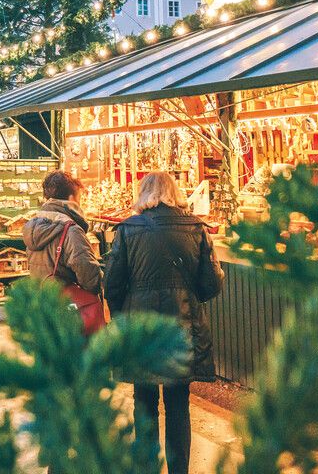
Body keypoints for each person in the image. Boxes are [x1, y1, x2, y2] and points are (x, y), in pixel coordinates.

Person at [104, 172, 224, 474]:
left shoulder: (127, 229)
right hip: (181, 325)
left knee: (143, 401)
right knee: (178, 404)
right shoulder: (196, 227)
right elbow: (211, 284)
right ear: (175, 193)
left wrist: (122, 321)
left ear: (144, 194)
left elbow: (113, 284)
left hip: (141, 328)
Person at [22, 171, 101, 296]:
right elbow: (89, 277)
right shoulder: (71, 229)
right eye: (79, 198)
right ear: (72, 199)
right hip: (67, 304)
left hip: (42, 301)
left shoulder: (33, 226)